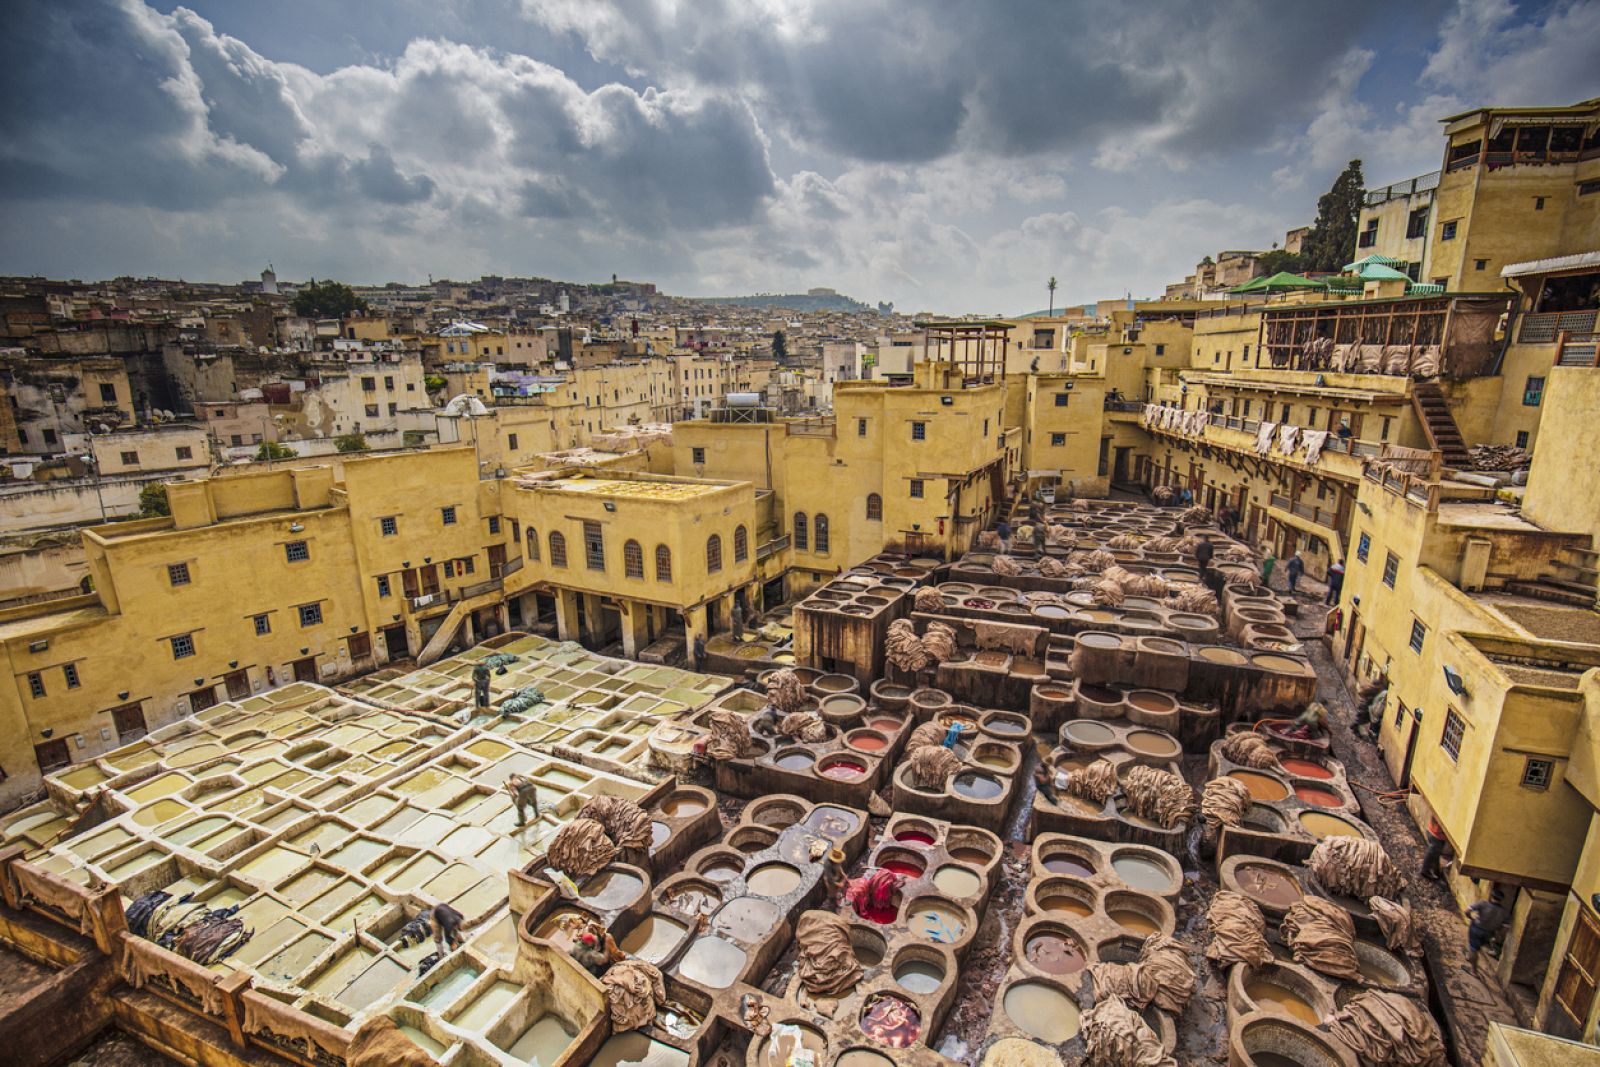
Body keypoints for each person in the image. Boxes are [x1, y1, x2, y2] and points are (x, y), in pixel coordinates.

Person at [1466, 890, 1509, 971]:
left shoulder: (1483, 904)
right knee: (1477, 946)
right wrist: (1497, 933)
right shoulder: (1504, 912)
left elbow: (1467, 911)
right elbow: (1506, 927)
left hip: (1476, 928)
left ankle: (1473, 971)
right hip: (1489, 933)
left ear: (1491, 896)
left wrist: (1471, 918)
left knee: (1473, 949)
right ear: (1501, 900)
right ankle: (1470, 956)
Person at [1421, 815, 1452, 881]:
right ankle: (1425, 870)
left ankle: (1436, 871)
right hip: (1437, 835)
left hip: (1432, 831)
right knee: (1432, 853)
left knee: (1435, 854)